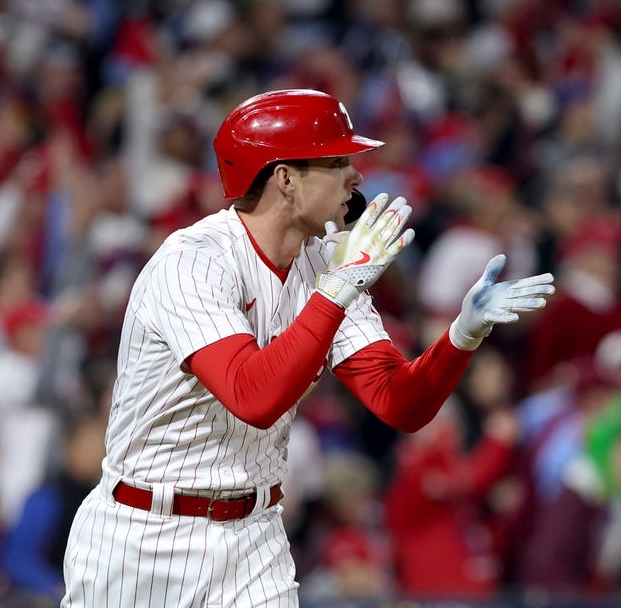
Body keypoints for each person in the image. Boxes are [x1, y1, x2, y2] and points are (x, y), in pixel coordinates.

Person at [60, 89, 556, 607]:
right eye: (337, 161)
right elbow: (253, 397)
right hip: (145, 535)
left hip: (254, 540)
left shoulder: (323, 264)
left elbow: (399, 402)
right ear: (286, 179)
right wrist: (337, 290)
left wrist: (460, 336)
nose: (356, 176)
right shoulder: (193, 262)